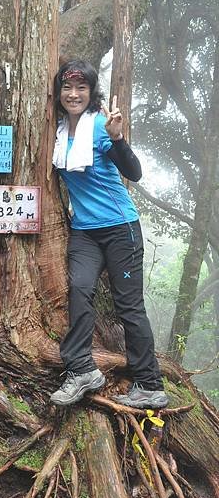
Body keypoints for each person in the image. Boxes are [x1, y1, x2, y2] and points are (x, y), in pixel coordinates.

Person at [50, 58, 168, 409]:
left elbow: (134, 171)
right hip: (84, 231)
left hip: (120, 229)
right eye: (67, 88)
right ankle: (82, 369)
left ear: (90, 92)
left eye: (81, 88)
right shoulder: (55, 131)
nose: (74, 94)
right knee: (80, 290)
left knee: (128, 305)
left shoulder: (100, 127)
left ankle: (149, 384)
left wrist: (118, 139)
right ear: (58, 93)